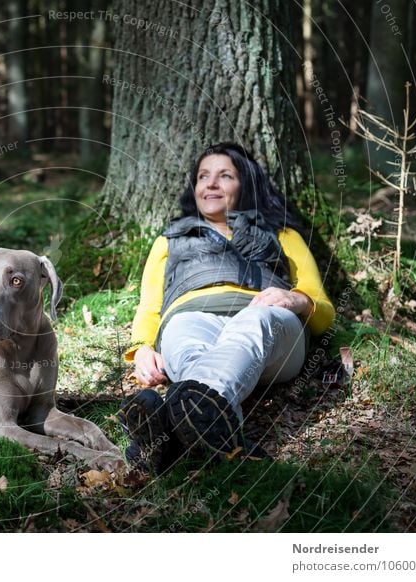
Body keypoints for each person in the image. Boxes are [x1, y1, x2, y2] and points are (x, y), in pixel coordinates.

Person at [118, 142, 335, 474]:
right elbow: (150, 305)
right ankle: (200, 432)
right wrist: (142, 348)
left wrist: (296, 299)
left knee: (253, 322)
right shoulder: (170, 239)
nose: (211, 184)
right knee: (184, 340)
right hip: (190, 317)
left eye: (225, 176)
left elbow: (322, 308)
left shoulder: (282, 233)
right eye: (203, 176)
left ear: (245, 184)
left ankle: (163, 435)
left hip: (271, 326)